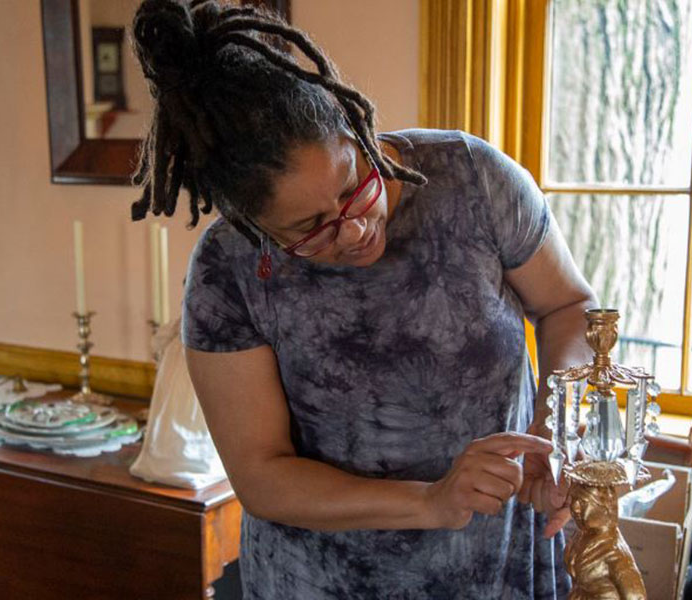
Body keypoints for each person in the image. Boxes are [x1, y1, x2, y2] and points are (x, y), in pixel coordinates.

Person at [130, 1, 597, 597]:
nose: (353, 229)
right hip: (323, 581)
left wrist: (555, 425)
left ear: (358, 133)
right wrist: (430, 500)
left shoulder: (473, 180)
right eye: (311, 228)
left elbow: (570, 307)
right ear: (252, 226)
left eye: (355, 187)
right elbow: (262, 477)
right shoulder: (228, 271)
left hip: (495, 564)